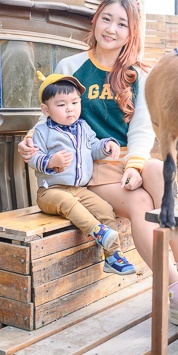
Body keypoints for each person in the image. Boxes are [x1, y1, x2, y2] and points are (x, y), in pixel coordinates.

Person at [19, 0, 178, 328]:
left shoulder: (138, 76)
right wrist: (32, 145)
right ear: (95, 22)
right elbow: (52, 115)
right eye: (106, 19)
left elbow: (141, 130)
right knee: (141, 206)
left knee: (159, 174)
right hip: (90, 165)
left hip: (126, 160)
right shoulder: (70, 67)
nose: (111, 28)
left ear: (131, 32)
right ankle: (175, 290)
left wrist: (136, 166)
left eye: (122, 23)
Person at [29, 72, 136, 275]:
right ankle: (98, 231)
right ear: (46, 109)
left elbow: (93, 147)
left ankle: (113, 256)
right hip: (51, 192)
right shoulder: (43, 132)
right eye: (61, 105)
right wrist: (51, 161)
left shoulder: (83, 127)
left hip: (79, 189)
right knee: (68, 203)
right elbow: (33, 158)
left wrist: (106, 145)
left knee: (105, 208)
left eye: (75, 103)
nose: (70, 109)